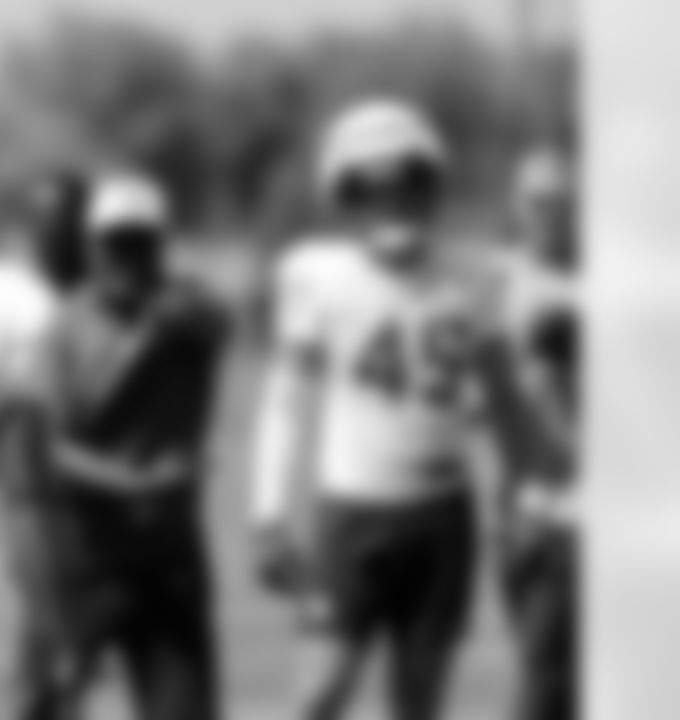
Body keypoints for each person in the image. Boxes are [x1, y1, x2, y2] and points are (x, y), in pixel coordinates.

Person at [248, 99, 550, 720]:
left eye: (408, 181)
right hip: (351, 514)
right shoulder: (317, 277)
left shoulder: (474, 279)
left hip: (442, 516)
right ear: (344, 196)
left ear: (433, 183)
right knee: (318, 691)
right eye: (371, 186)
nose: (393, 200)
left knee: (420, 702)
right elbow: (285, 403)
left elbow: (504, 398)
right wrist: (268, 513)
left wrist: (525, 491)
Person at [19, 172, 228, 720]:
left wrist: (172, 314)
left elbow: (219, 322)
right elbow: (55, 449)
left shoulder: (188, 316)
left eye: (141, 243)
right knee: (46, 703)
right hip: (85, 558)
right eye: (116, 243)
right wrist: (130, 482)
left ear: (161, 247)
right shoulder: (65, 326)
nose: (128, 258)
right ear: (91, 247)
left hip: (170, 557)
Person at [496, 147, 580, 720]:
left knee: (550, 683)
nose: (548, 213)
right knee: (550, 678)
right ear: (515, 206)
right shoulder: (494, 285)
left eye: (560, 202)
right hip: (522, 513)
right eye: (536, 201)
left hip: (581, 515)